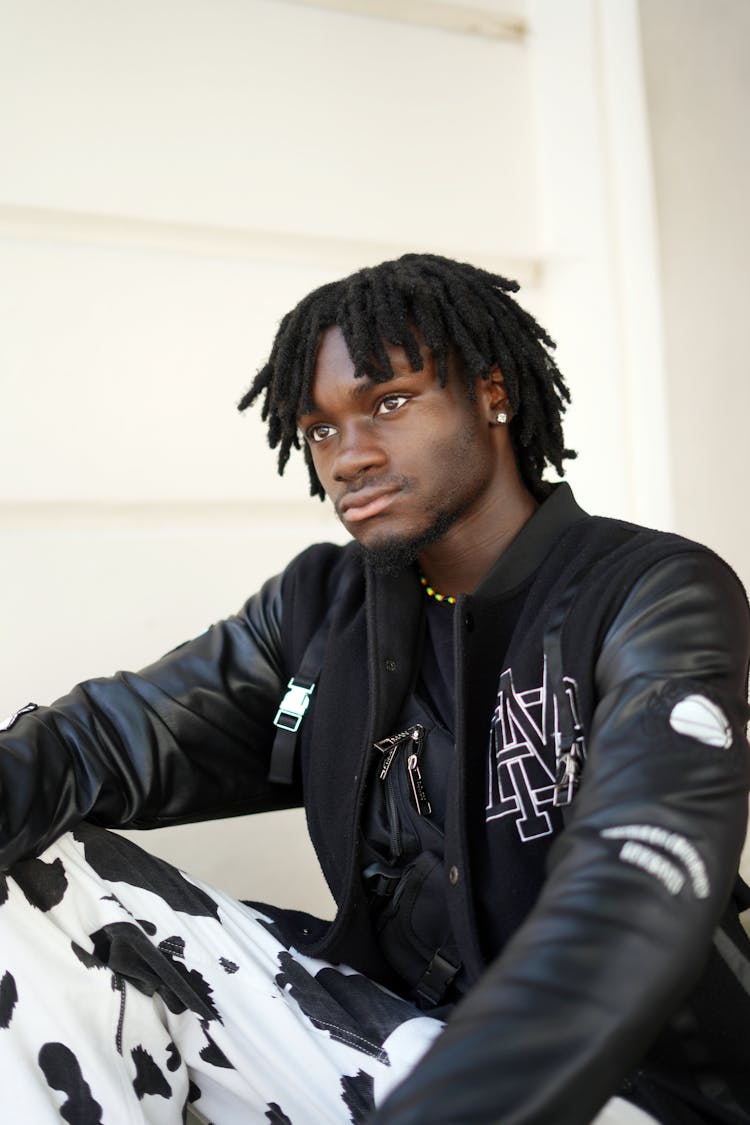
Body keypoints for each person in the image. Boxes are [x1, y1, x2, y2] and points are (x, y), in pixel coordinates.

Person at [0, 254, 749, 1125]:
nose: (348, 456)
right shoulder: (322, 606)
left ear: (492, 392)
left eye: (389, 403)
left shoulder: (652, 591)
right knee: (40, 865)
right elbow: (96, 742)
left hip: (618, 1092)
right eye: (321, 429)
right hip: (383, 1042)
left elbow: (636, 884)